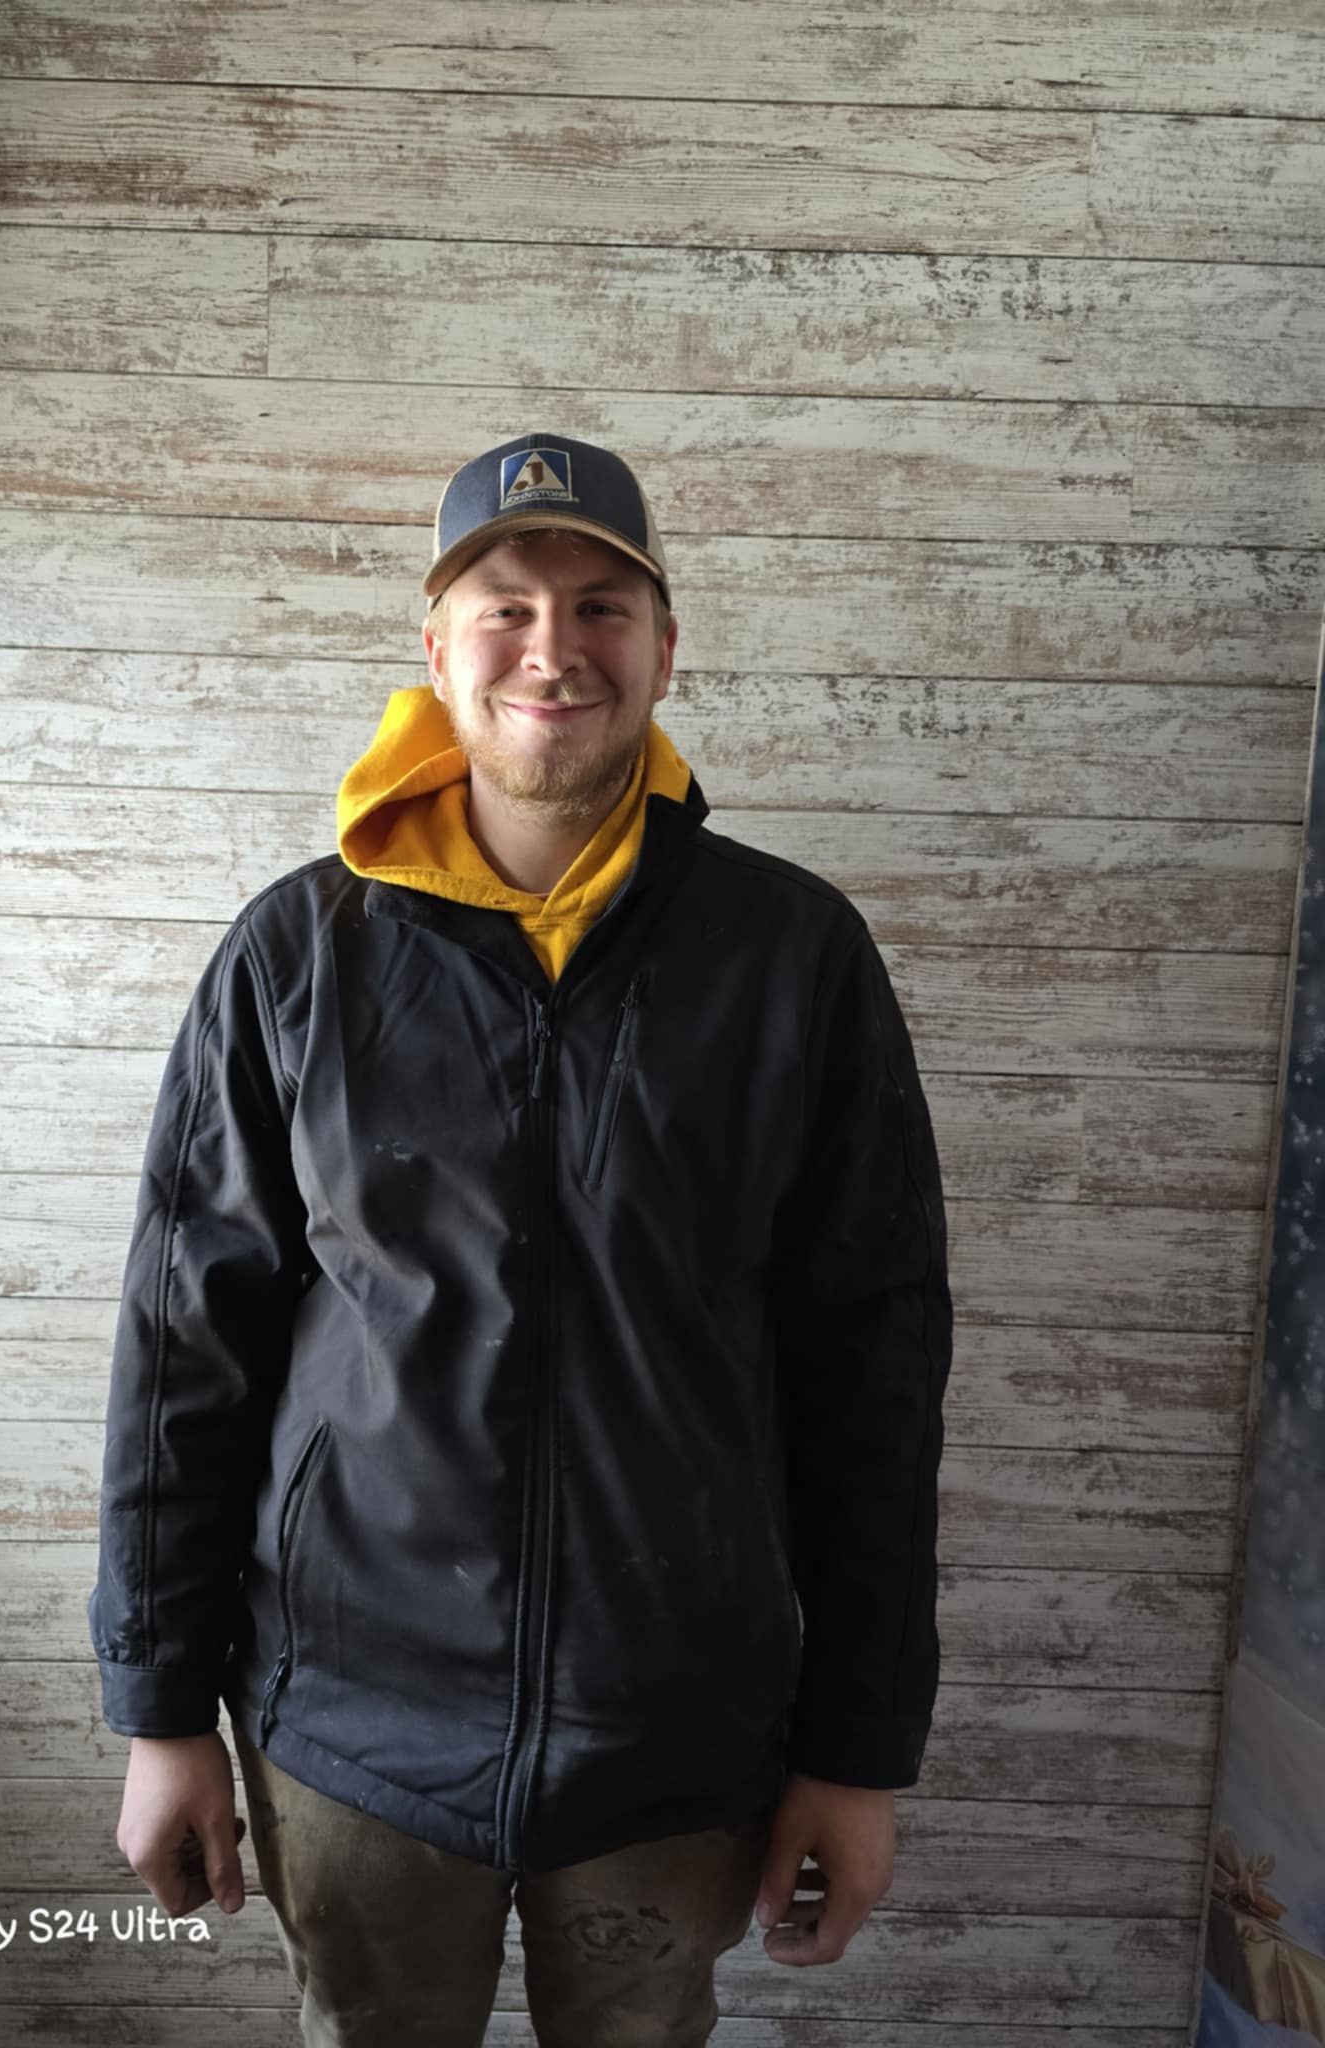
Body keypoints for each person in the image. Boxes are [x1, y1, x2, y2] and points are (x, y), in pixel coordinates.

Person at [88, 431, 953, 2045]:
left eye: (602, 605)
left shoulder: (794, 956)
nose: (555, 647)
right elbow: (180, 1350)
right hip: (349, 1732)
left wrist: (857, 1750)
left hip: (675, 1743)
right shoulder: (297, 954)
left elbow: (878, 1380)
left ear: (664, 647)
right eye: (505, 605)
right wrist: (158, 1713)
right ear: (436, 649)